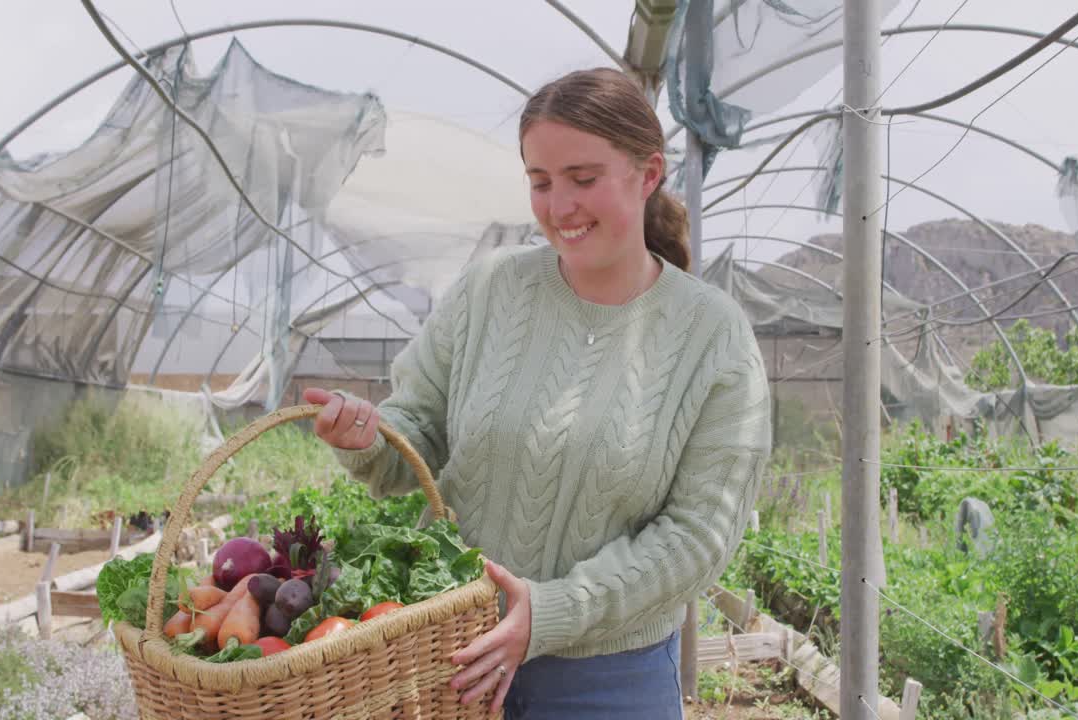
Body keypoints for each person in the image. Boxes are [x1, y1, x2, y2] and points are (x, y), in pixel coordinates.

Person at [303, 67, 771, 719]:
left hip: (609, 681)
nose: (559, 208)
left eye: (583, 179)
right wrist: (369, 437)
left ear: (648, 174)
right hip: (448, 658)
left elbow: (699, 537)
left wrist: (548, 613)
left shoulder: (713, 336)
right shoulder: (490, 291)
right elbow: (421, 433)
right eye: (540, 182)